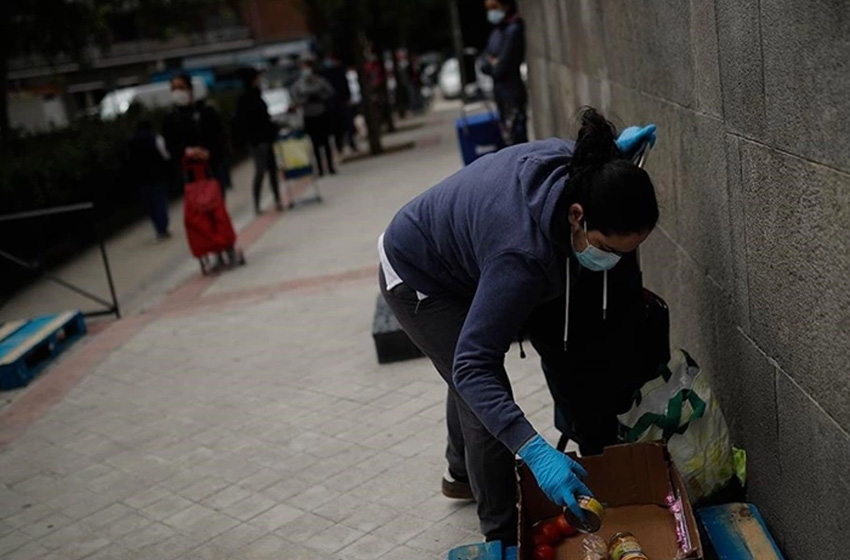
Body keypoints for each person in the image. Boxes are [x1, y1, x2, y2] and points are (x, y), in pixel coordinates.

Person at [378, 108, 658, 544]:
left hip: (465, 253)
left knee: (464, 358)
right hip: (418, 275)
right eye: (605, 247)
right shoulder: (522, 259)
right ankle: (502, 535)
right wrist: (534, 450)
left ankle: (459, 472)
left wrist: (616, 163)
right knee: (482, 393)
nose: (610, 261)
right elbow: (474, 368)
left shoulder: (581, 168)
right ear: (577, 215)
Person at [162, 73, 230, 195]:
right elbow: (170, 146)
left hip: (212, 170)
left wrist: (209, 153)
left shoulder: (206, 112)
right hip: (189, 175)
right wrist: (186, 152)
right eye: (174, 88)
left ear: (190, 89)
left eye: (181, 88)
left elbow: (221, 138)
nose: (177, 92)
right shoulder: (170, 119)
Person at [235, 67, 283, 214]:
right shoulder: (246, 99)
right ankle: (258, 204)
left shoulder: (257, 95)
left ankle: (277, 200)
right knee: (261, 171)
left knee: (272, 170)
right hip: (258, 141)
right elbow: (246, 122)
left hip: (266, 138)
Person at [480, 0, 529, 145]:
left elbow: (501, 67)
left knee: (517, 138)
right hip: (500, 93)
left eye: (494, 8)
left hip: (512, 91)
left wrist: (493, 63)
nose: (491, 12)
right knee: (507, 138)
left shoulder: (513, 29)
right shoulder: (496, 32)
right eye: (489, 9)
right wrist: (491, 62)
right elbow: (484, 63)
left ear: (505, 6)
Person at [125, 119, 172, 241]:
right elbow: (165, 155)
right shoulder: (156, 138)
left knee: (151, 206)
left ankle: (158, 228)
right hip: (157, 176)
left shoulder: (131, 141)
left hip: (142, 179)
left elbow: (129, 160)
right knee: (160, 203)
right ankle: (163, 228)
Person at [291, 55, 336, 176]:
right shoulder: (299, 84)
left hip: (321, 113)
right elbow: (295, 98)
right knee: (315, 144)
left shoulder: (320, 81)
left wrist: (320, 97)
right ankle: (320, 169)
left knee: (326, 142)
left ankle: (330, 166)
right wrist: (305, 100)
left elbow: (330, 92)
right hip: (309, 115)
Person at [320, 52, 357, 155]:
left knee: (346, 126)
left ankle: (348, 144)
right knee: (339, 127)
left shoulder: (338, 71)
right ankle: (341, 146)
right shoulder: (327, 73)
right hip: (334, 104)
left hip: (340, 102)